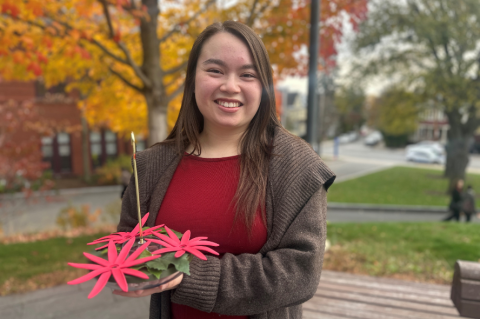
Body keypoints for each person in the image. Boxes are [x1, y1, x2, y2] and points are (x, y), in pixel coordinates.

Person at [116, 21, 335, 319]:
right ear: (193, 78)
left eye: (247, 75)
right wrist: (125, 264)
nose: (230, 86)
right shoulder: (150, 165)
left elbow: (301, 271)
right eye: (215, 70)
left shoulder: (296, 165)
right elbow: (128, 240)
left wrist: (188, 273)